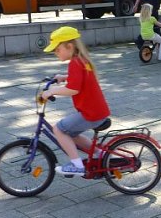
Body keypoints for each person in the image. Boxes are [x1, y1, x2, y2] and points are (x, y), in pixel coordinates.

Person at [40, 26, 111, 176]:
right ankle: (100, 154)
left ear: (69, 46)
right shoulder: (82, 60)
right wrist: (64, 77)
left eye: (57, 49)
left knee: (58, 129)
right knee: (71, 133)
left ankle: (77, 165)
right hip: (96, 110)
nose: (55, 53)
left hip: (91, 113)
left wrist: (52, 91)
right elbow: (80, 78)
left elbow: (73, 89)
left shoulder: (75, 63)